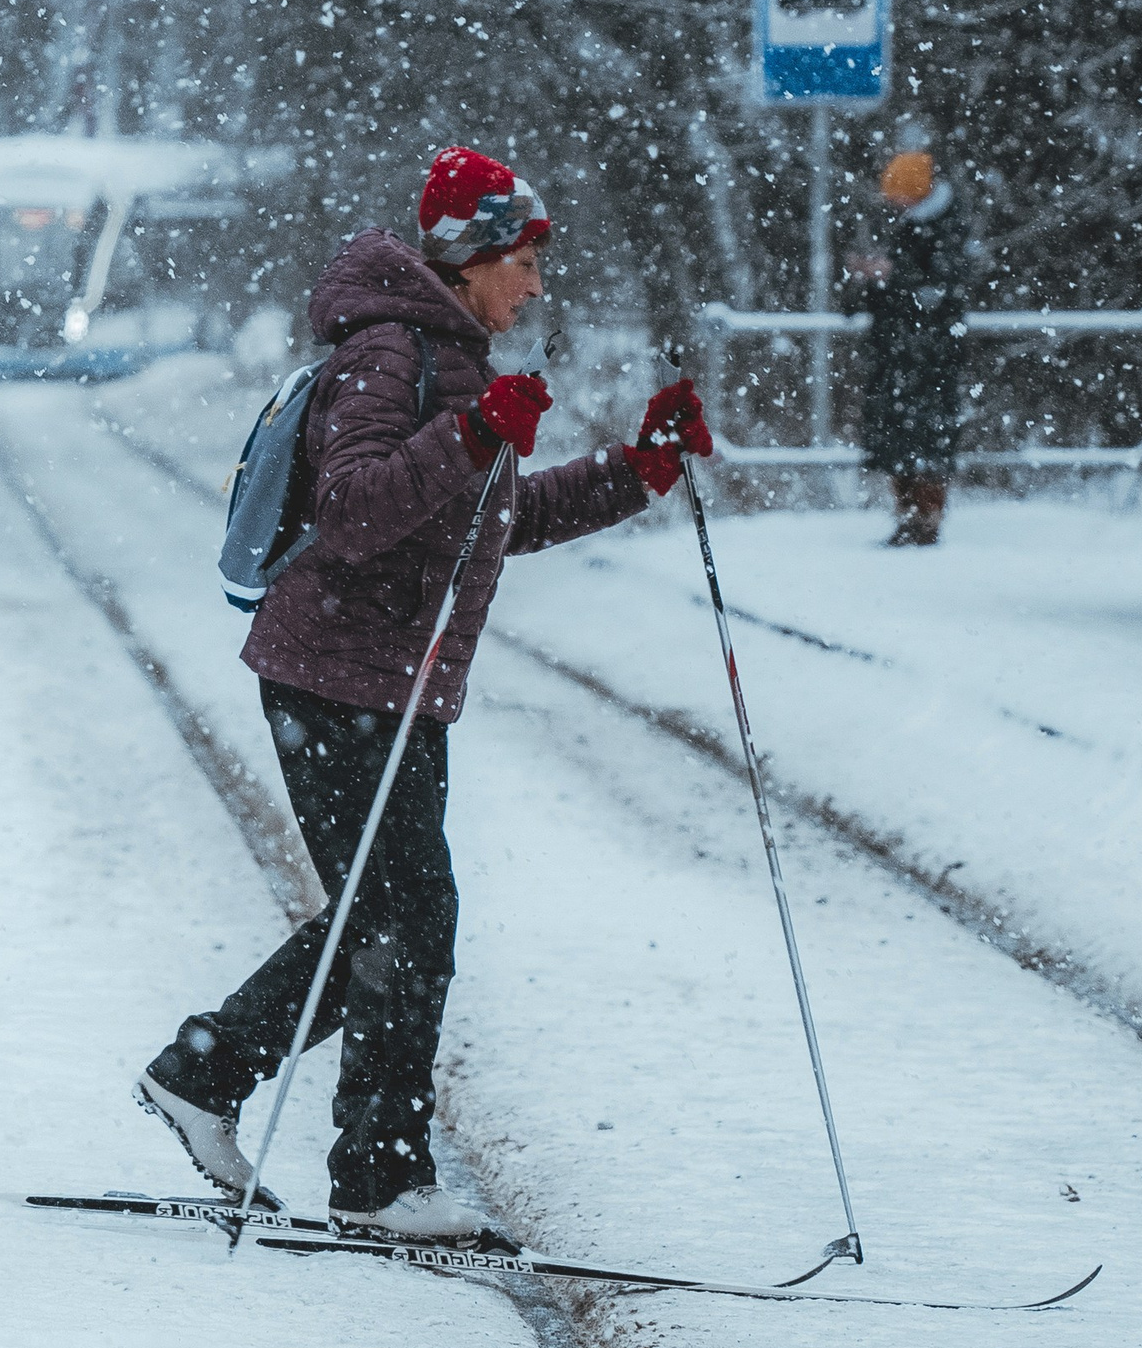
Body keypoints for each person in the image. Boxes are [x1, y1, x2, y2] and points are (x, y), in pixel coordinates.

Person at [134, 146, 712, 1236]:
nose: (536, 283)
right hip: (332, 674)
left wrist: (633, 469)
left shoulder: (449, 355)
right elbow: (354, 510)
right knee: (407, 916)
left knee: (390, 914)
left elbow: (496, 518)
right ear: (473, 253)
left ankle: (215, 1081)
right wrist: (470, 430)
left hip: (389, 683)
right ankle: (377, 1173)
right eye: (526, 259)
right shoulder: (390, 352)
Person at [848, 135, 968, 548]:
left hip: (924, 352)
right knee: (904, 438)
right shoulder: (923, 226)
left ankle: (924, 520)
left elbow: (940, 287)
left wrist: (889, 276)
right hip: (907, 350)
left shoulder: (939, 229)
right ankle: (912, 518)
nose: (894, 202)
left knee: (921, 437)